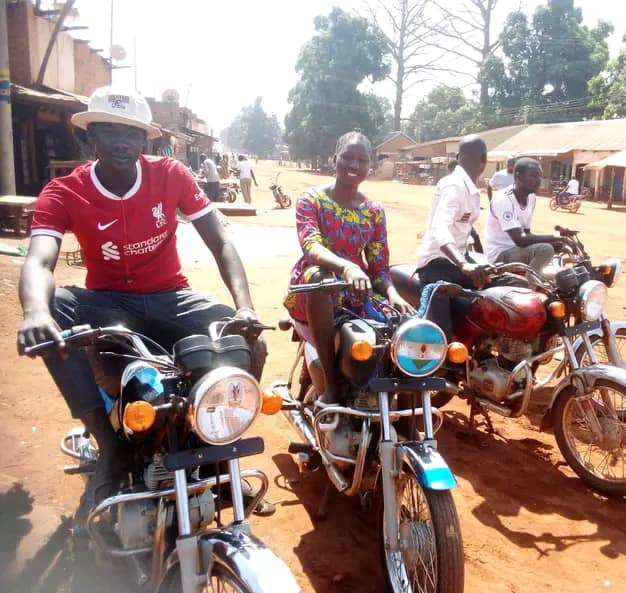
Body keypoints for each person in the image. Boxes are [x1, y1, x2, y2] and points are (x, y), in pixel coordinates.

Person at [16, 86, 273, 524]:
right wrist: (35, 312)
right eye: (110, 131)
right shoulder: (63, 191)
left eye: (132, 133)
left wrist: (244, 307)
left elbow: (220, 239)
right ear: (89, 139)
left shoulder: (171, 174)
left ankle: (214, 448)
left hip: (171, 297)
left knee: (246, 340)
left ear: (145, 141)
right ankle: (110, 446)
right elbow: (40, 259)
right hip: (106, 303)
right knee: (56, 306)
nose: (122, 142)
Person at [283, 131, 414, 407]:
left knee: (404, 323)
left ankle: (399, 401)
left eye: (362, 160)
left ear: (370, 167)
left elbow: (379, 266)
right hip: (313, 288)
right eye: (347, 157)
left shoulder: (374, 211)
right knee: (321, 281)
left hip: (357, 292)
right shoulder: (312, 200)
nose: (354, 165)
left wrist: (393, 294)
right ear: (334, 159)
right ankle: (331, 386)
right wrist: (347, 268)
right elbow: (312, 247)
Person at [415, 135, 490, 335]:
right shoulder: (454, 185)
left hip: (459, 263)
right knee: (441, 336)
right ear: (484, 159)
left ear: (458, 156)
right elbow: (440, 227)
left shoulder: (471, 189)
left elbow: (465, 230)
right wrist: (463, 264)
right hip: (436, 266)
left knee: (498, 304)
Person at [484, 157, 567, 275]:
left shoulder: (531, 198)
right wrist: (552, 237)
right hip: (500, 255)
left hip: (517, 251)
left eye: (540, 176)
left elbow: (526, 234)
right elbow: (520, 240)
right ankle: (530, 284)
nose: (538, 181)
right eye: (533, 176)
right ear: (518, 176)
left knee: (555, 249)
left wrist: (556, 242)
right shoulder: (503, 199)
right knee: (545, 249)